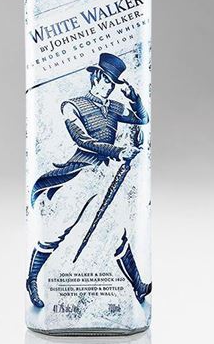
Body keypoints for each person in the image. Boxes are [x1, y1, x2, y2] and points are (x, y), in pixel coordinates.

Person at [26, 53, 152, 308]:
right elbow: (82, 140)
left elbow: (143, 119)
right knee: (58, 228)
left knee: (117, 231)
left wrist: (133, 97)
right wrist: (118, 151)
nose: (108, 87)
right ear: (95, 77)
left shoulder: (115, 107)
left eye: (112, 83)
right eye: (105, 80)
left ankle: (138, 287)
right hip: (81, 175)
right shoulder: (72, 106)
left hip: (107, 177)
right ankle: (32, 279)